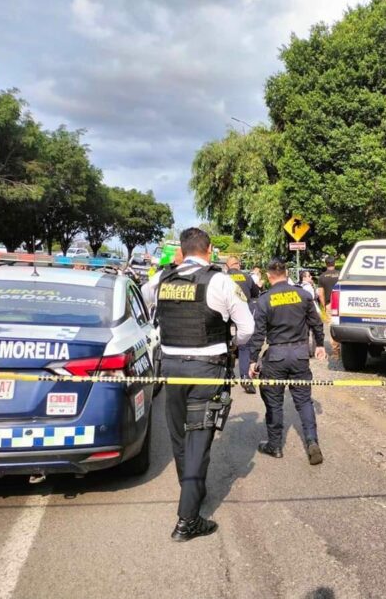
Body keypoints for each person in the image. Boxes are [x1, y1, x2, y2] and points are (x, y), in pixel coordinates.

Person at [142, 228, 254, 542]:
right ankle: (187, 520)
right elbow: (247, 328)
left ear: (182, 250)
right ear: (208, 250)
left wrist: (170, 267)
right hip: (207, 370)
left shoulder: (161, 279)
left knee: (180, 438)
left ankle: (191, 491)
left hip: (172, 368)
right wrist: (230, 343)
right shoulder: (219, 281)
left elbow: (143, 300)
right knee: (198, 443)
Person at [248, 258, 327, 465]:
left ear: (268, 275)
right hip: (300, 355)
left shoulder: (265, 300)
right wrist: (319, 345)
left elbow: (258, 334)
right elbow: (316, 322)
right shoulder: (302, 294)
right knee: (303, 401)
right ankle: (312, 442)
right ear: (286, 272)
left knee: (273, 401)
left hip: (276, 357)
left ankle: (275, 446)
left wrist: (252, 360)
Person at [225, 255, 260, 394]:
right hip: (243, 314)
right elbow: (255, 293)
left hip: (226, 316)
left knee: (224, 343)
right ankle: (245, 377)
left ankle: (228, 373)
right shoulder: (246, 277)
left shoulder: (222, 277)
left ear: (227, 267)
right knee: (245, 346)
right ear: (238, 265)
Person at [316, 257, 341, 356]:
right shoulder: (340, 274)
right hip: (341, 303)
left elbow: (321, 293)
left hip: (330, 304)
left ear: (326, 264)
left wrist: (324, 306)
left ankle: (336, 352)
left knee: (332, 327)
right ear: (334, 263)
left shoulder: (322, 277)